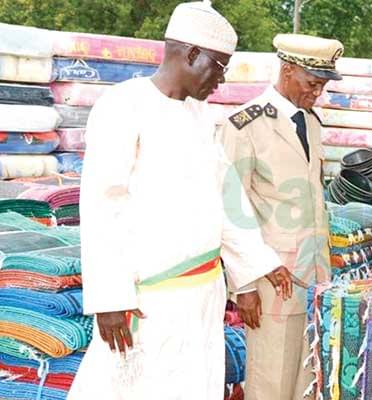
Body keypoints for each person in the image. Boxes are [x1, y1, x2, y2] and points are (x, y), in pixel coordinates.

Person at [68, 2, 293, 399]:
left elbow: (225, 199)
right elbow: (104, 204)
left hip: (204, 295)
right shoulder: (123, 106)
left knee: (196, 386)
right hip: (149, 302)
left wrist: (260, 263)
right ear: (191, 54)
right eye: (219, 67)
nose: (220, 81)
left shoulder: (201, 116)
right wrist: (110, 298)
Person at [218, 33, 342, 400]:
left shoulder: (312, 123)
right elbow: (230, 209)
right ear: (287, 71)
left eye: (321, 85)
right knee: (271, 382)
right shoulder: (245, 125)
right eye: (311, 83)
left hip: (313, 278)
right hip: (272, 279)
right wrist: (244, 286)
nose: (316, 92)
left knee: (306, 380)